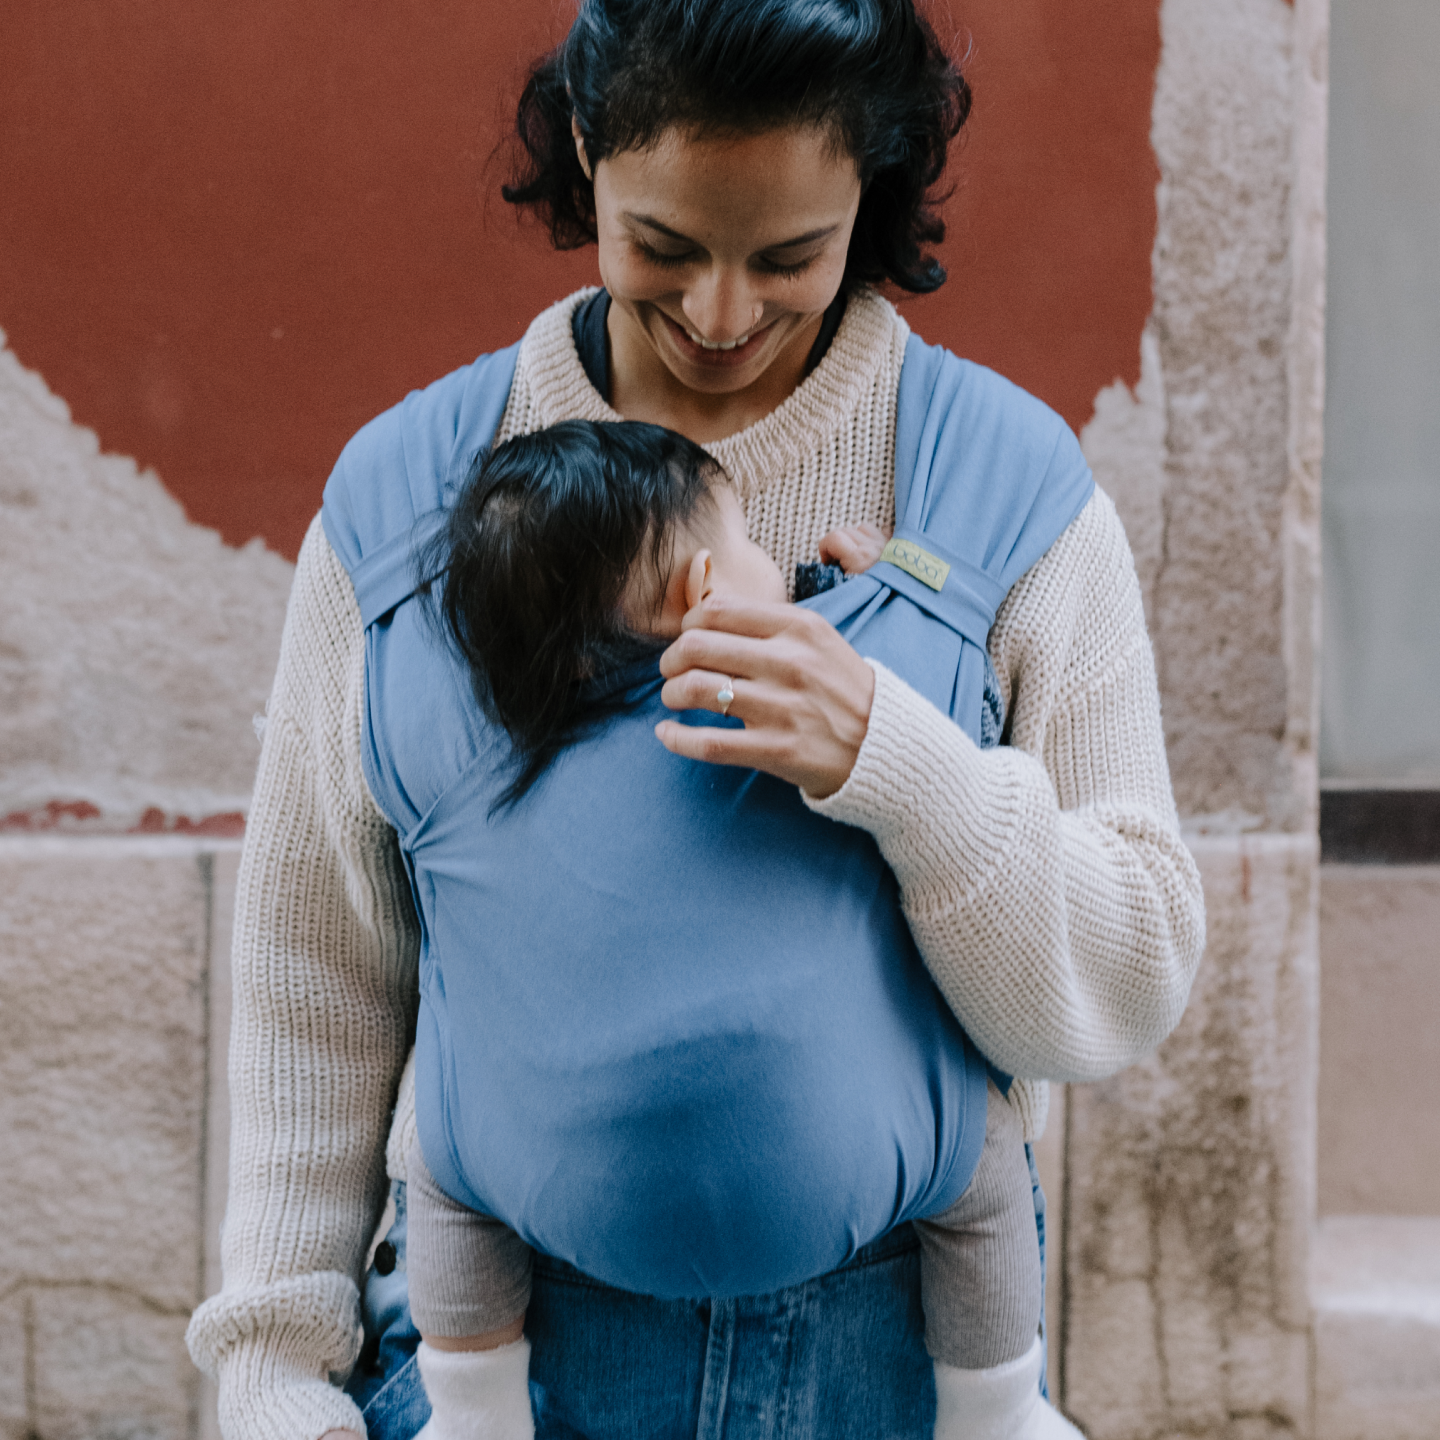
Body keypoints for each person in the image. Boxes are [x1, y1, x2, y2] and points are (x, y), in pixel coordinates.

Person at [185, 2, 1206, 1437]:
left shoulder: (1012, 499)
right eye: (662, 246)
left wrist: (905, 769)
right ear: (589, 155)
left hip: (893, 1373)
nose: (721, 314)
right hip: (498, 1372)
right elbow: (319, 976)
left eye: (790, 256)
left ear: (873, 186)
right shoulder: (405, 505)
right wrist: (275, 1380)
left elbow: (1131, 975)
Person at [399, 419, 1076, 1440]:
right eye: (758, 546)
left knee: (446, 1163)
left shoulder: (480, 740)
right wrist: (890, 594)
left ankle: (473, 1413)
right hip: (868, 1171)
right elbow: (947, 683)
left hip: (537, 1180)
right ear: (707, 590)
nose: (784, 569)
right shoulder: (821, 696)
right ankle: (997, 1413)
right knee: (981, 1156)